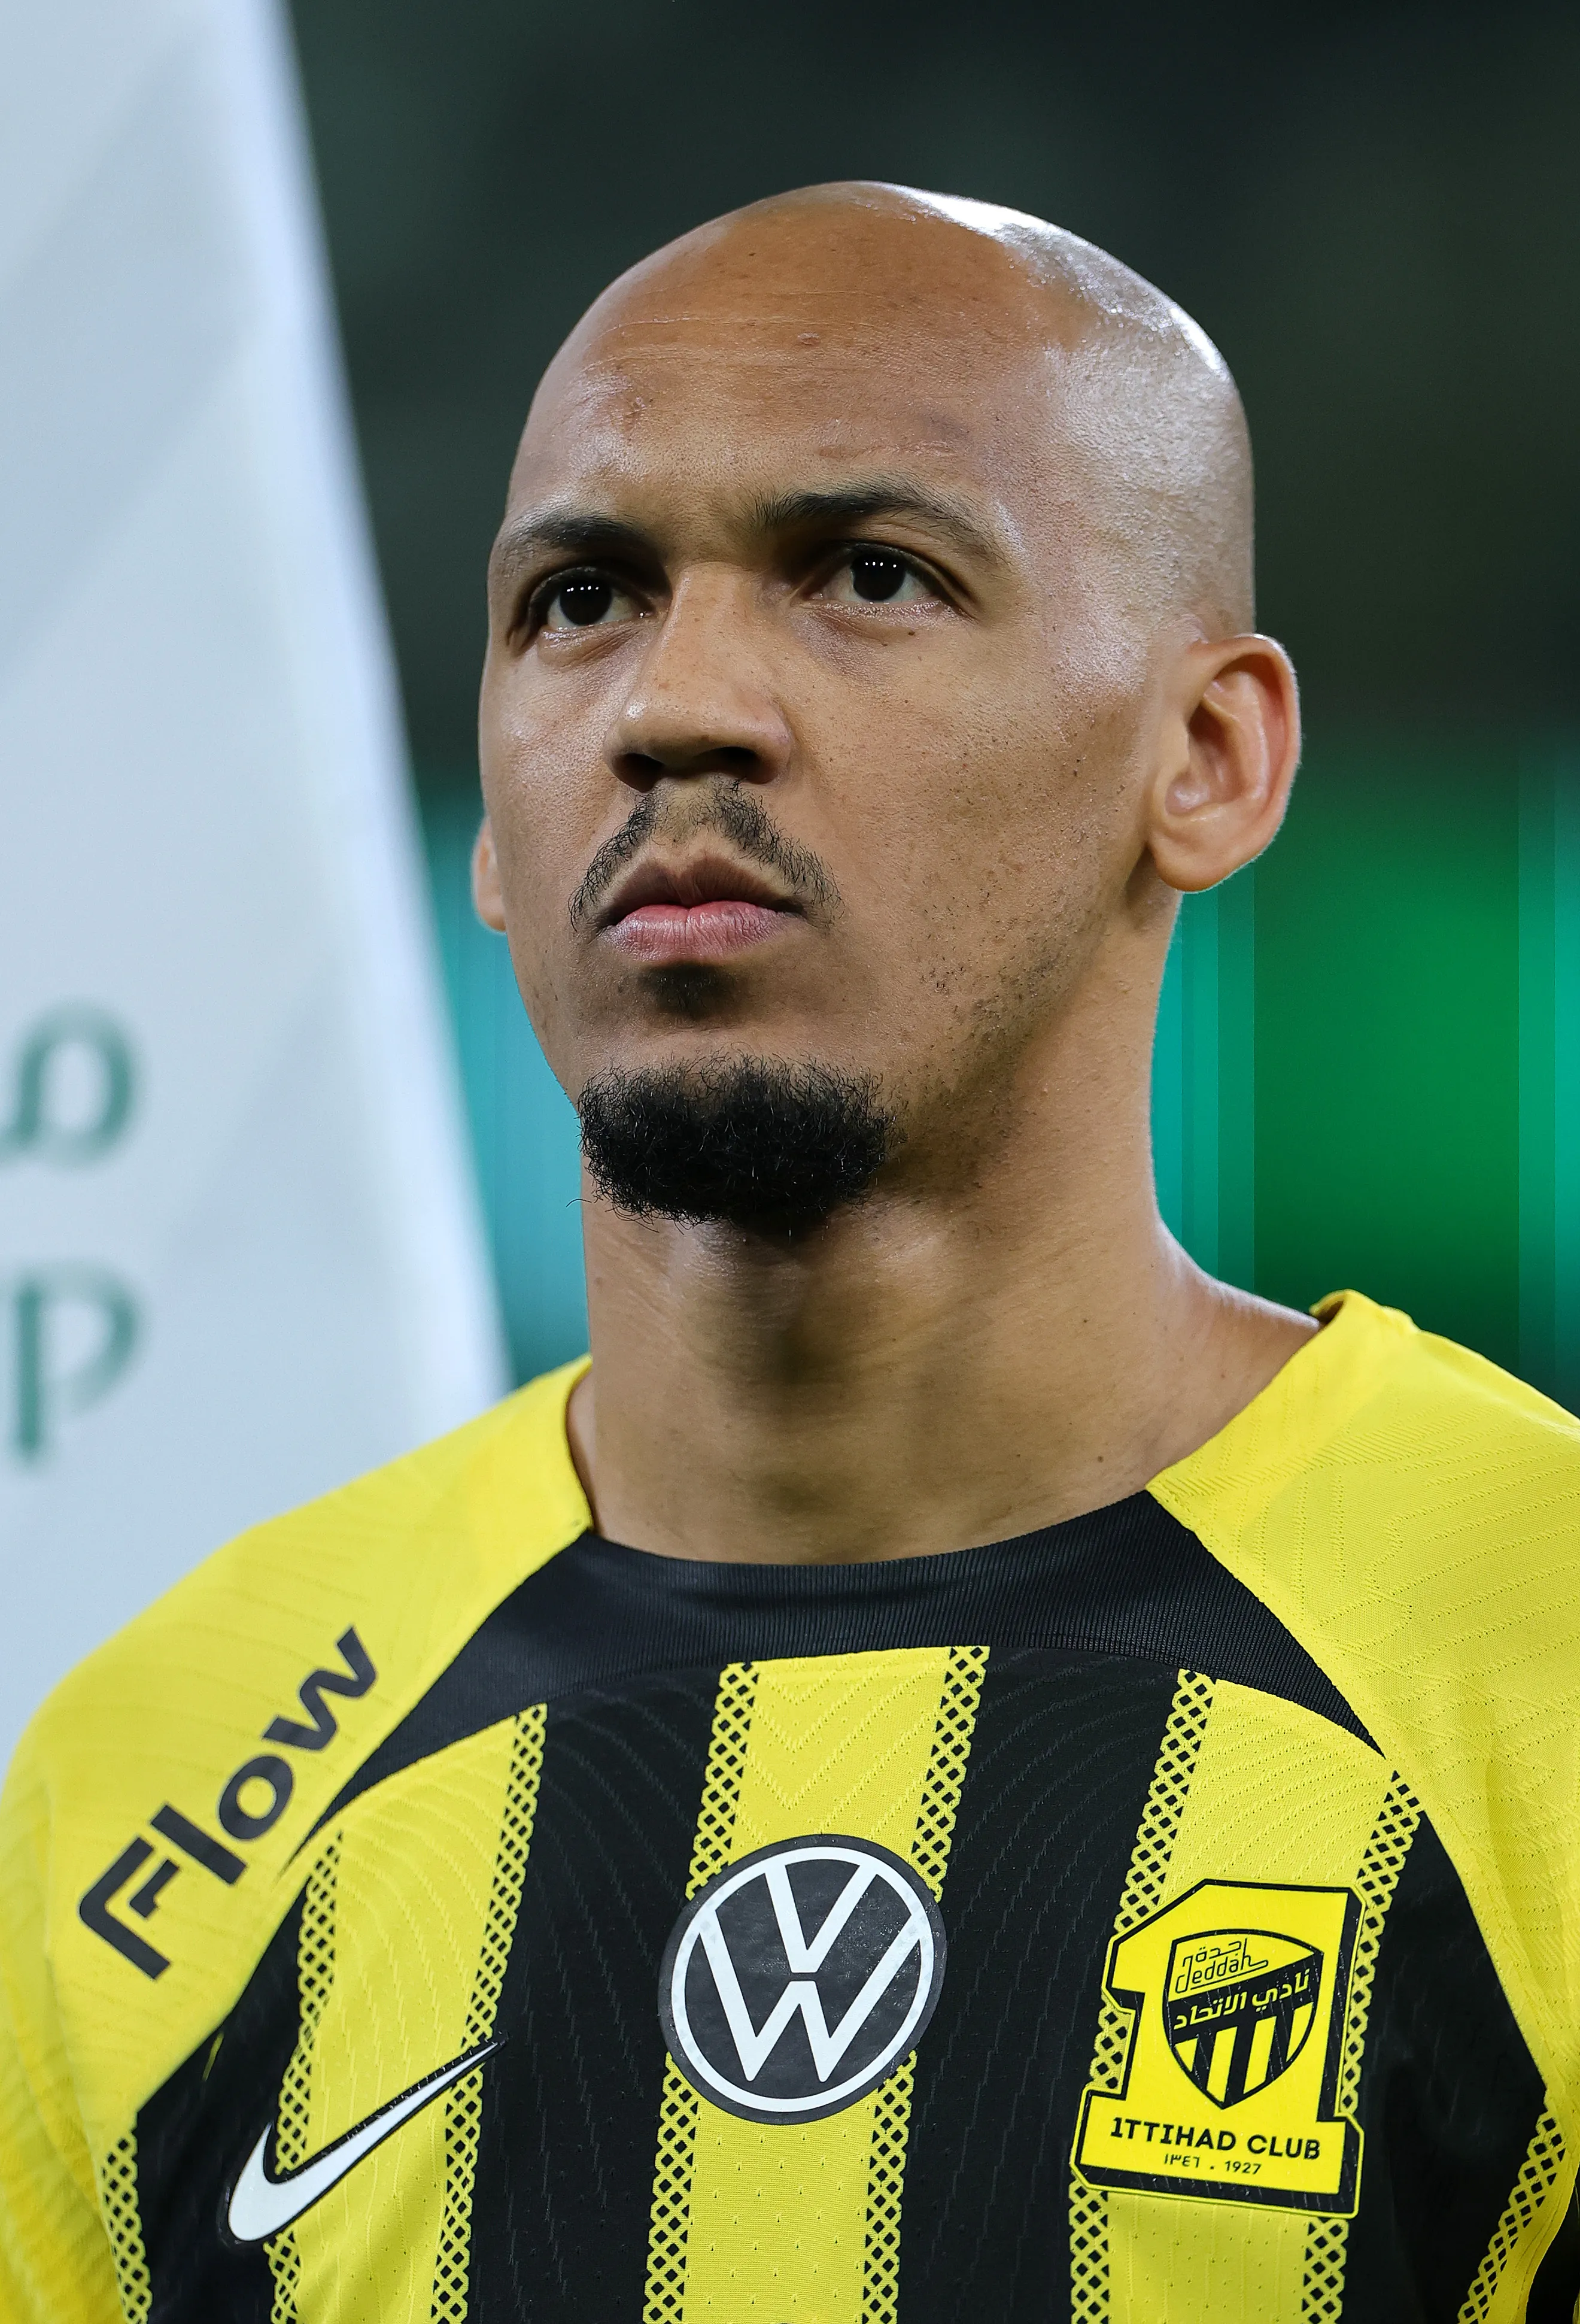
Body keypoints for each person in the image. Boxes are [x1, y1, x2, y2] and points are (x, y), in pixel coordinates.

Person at [3, 184, 1578, 2324]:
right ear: (486, 823)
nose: (678, 706)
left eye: (870, 576)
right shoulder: (153, 1784)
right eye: (581, 599)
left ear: (1206, 759)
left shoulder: (1538, 1655)